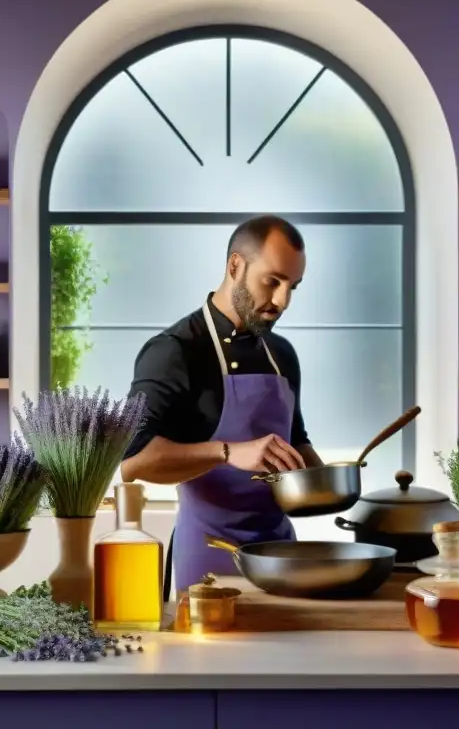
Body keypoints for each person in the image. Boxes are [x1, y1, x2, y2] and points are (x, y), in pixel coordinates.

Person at [120, 215, 325, 597]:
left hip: (280, 555)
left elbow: (296, 441)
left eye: (292, 286)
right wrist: (227, 452)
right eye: (272, 281)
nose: (282, 301)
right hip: (209, 559)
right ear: (235, 265)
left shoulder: (281, 353)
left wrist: (329, 482)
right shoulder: (175, 351)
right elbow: (134, 461)